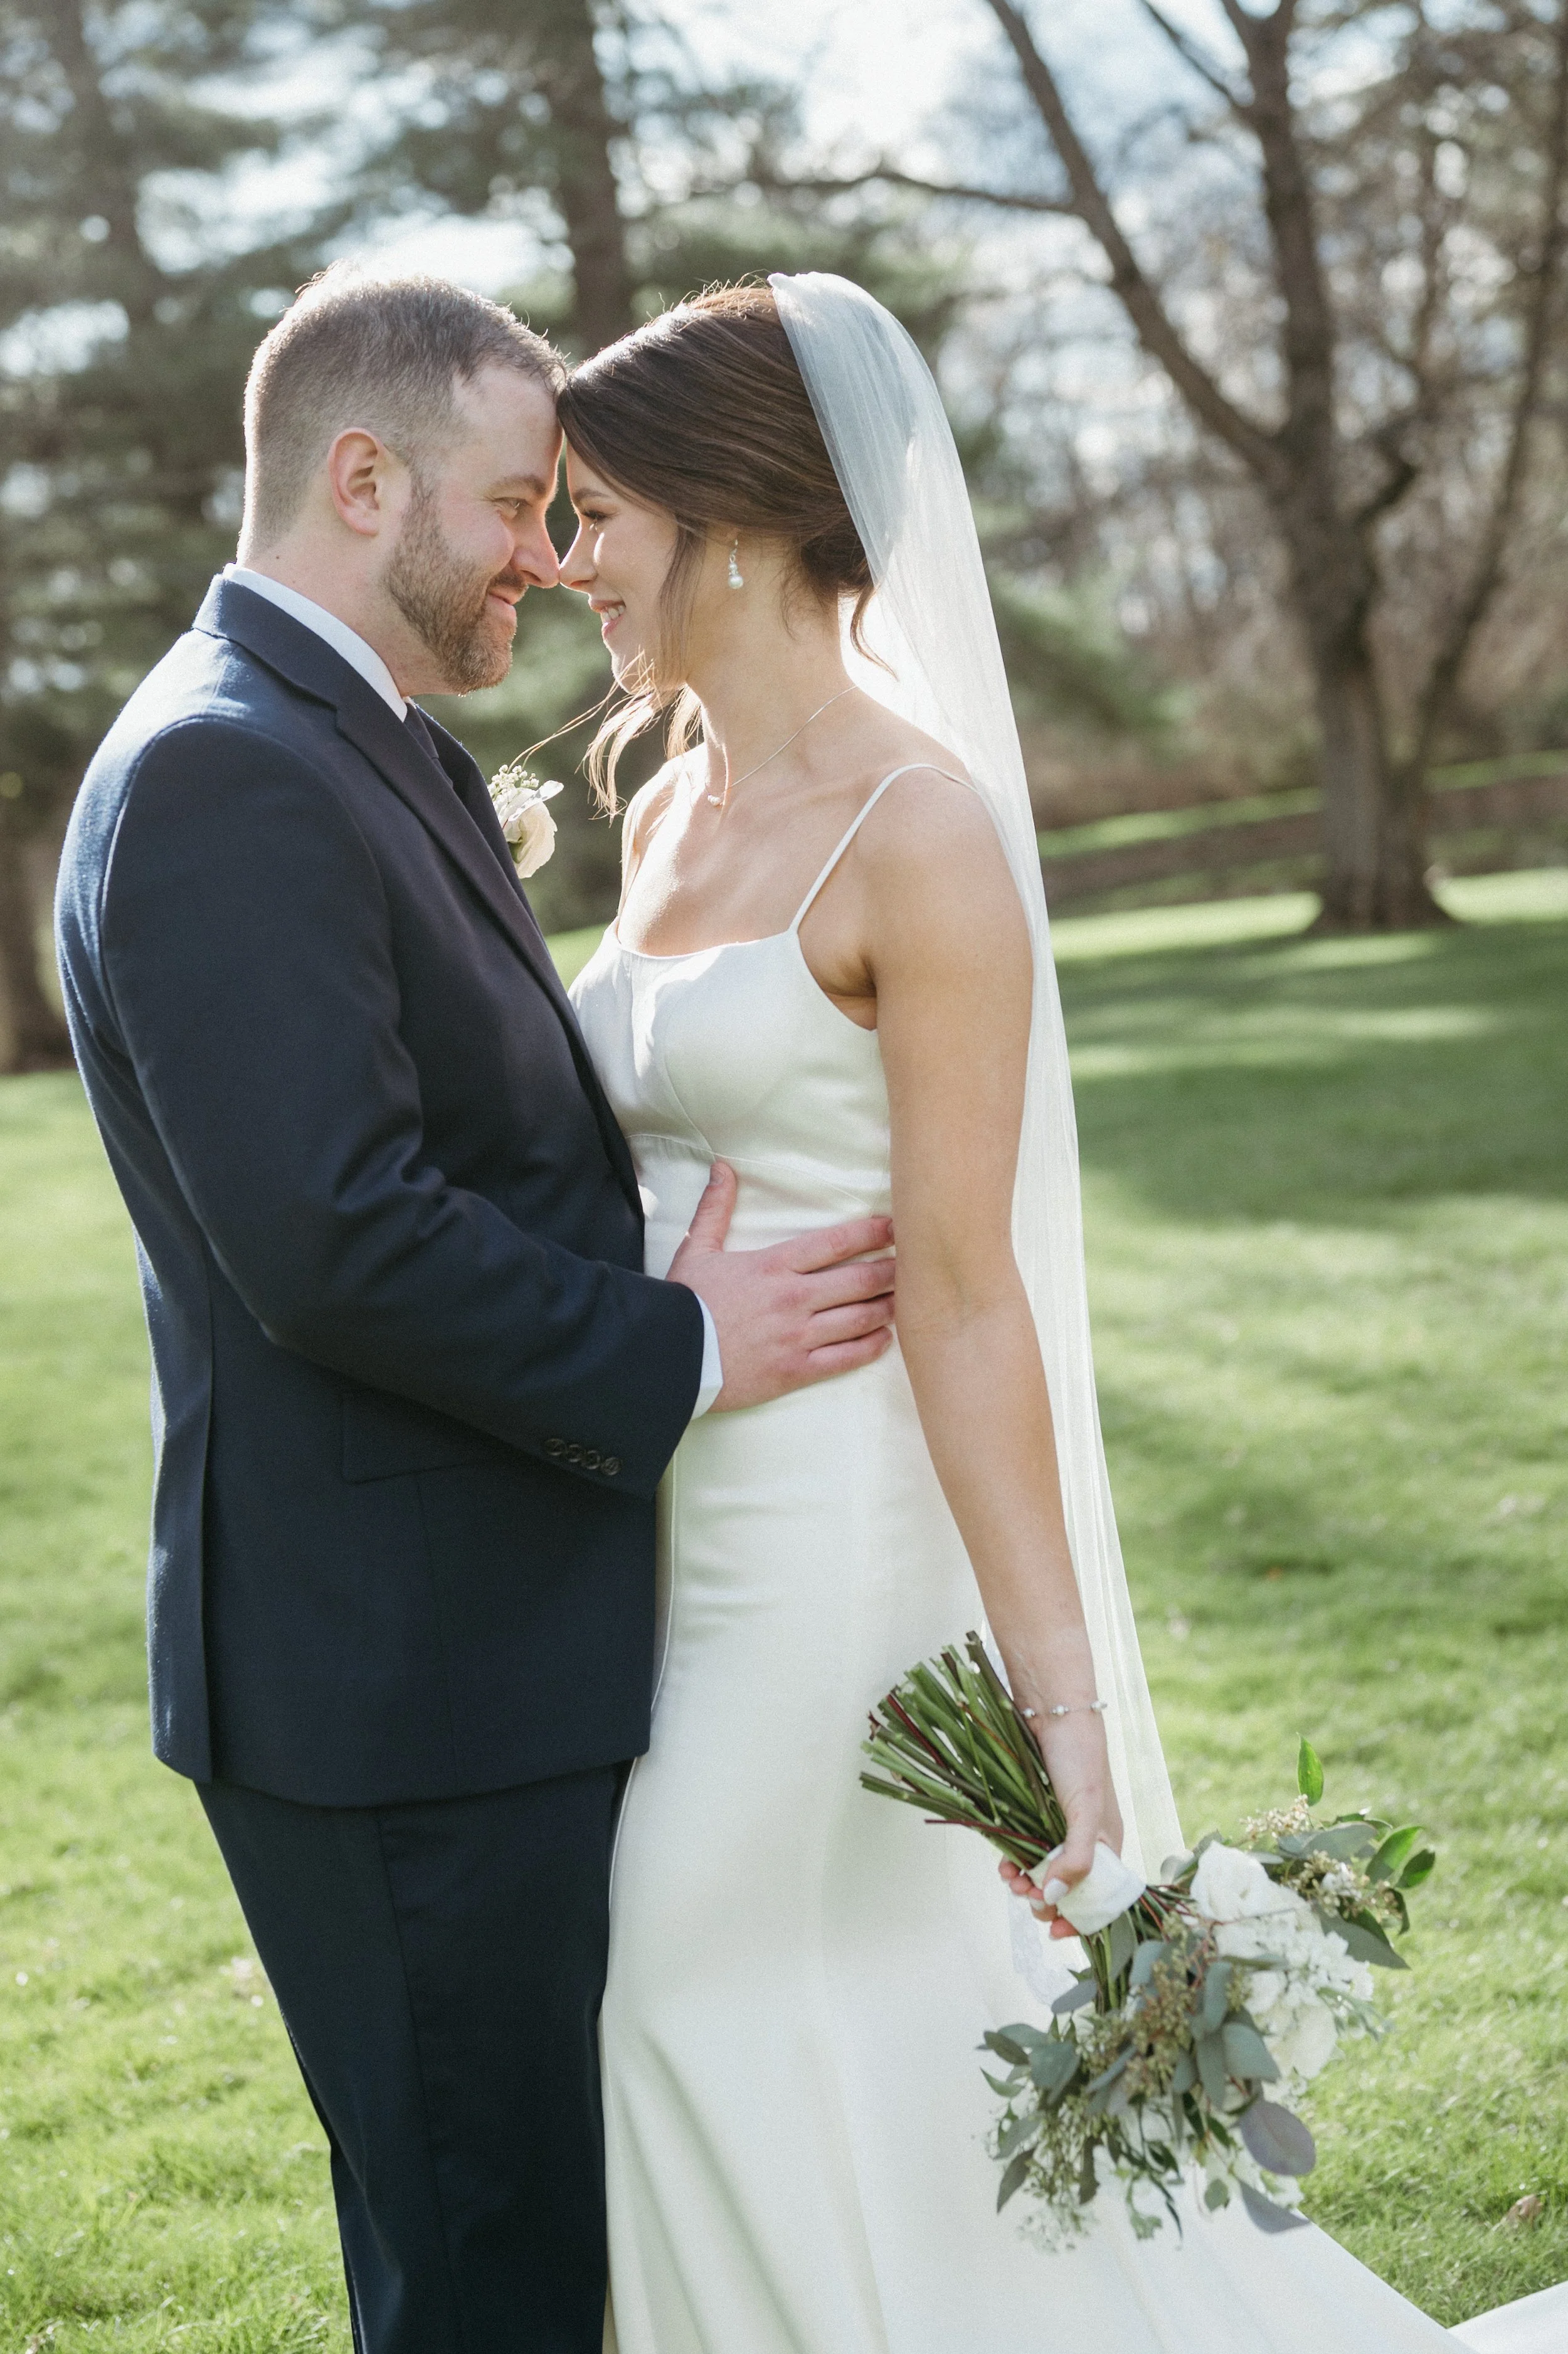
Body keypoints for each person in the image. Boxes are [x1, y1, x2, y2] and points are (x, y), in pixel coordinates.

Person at [561, 276, 1548, 2351]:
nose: (566, 564)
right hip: (659, 1516)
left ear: (724, 517)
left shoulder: (917, 836)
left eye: (594, 516)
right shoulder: (656, 811)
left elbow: (971, 1292)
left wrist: (1066, 1712)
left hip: (834, 1546)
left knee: (658, 1984)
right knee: (825, 2020)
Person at [53, 264, 898, 2354]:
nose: (551, 548)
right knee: (490, 2276)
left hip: (458, 1650)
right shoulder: (228, 775)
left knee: (529, 2238)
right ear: (364, 477)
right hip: (392, 1692)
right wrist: (682, 1344)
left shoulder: (345, 743)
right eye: (519, 502)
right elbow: (333, 1233)